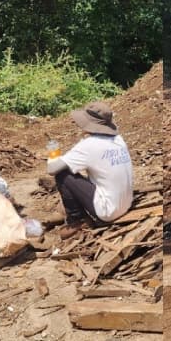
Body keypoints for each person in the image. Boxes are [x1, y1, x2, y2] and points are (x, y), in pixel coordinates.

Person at [46, 101, 134, 239]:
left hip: (107, 211)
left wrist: (53, 155)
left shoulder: (89, 145)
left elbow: (52, 169)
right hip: (126, 204)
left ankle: (77, 221)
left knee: (63, 175)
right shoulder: (118, 139)